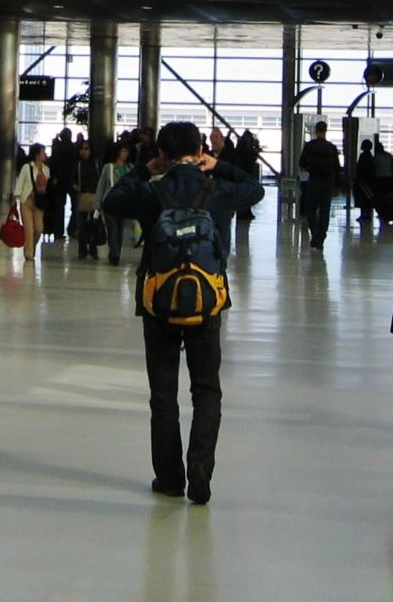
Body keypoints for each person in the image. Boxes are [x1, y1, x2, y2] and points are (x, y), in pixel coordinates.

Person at [102, 121, 263, 505]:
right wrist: (219, 165)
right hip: (206, 303)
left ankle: (170, 478)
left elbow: (111, 201)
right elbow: (255, 188)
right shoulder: (215, 188)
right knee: (206, 389)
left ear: (161, 153)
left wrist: (144, 170)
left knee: (163, 394)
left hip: (159, 303)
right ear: (200, 149)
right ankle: (201, 466)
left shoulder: (151, 191)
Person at [299, 121, 341, 249]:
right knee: (325, 210)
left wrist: (310, 168)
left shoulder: (310, 146)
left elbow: (301, 162)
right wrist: (337, 186)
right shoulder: (331, 147)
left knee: (310, 209)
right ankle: (321, 238)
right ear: (326, 130)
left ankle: (315, 232)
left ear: (315, 131)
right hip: (328, 182)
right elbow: (337, 168)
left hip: (314, 180)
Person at [97, 142, 134, 265]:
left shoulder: (130, 168)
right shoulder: (108, 168)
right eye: (123, 151)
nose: (125, 154)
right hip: (110, 202)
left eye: (127, 151)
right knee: (112, 229)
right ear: (118, 152)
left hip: (124, 203)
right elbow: (101, 186)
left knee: (120, 229)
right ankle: (114, 253)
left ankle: (116, 251)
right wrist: (98, 204)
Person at [14, 144, 50, 262]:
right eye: (43, 152)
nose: (45, 154)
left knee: (39, 229)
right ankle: (28, 253)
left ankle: (32, 246)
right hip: (27, 201)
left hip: (39, 202)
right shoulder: (27, 167)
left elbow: (46, 186)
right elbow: (20, 182)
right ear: (36, 155)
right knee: (28, 229)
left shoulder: (46, 169)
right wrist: (16, 196)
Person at [72, 141, 102, 258]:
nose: (84, 152)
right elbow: (71, 181)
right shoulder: (77, 165)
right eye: (82, 149)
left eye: (86, 149)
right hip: (82, 198)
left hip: (95, 198)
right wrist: (76, 187)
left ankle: (93, 249)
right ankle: (82, 250)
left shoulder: (97, 164)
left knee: (95, 224)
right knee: (81, 225)